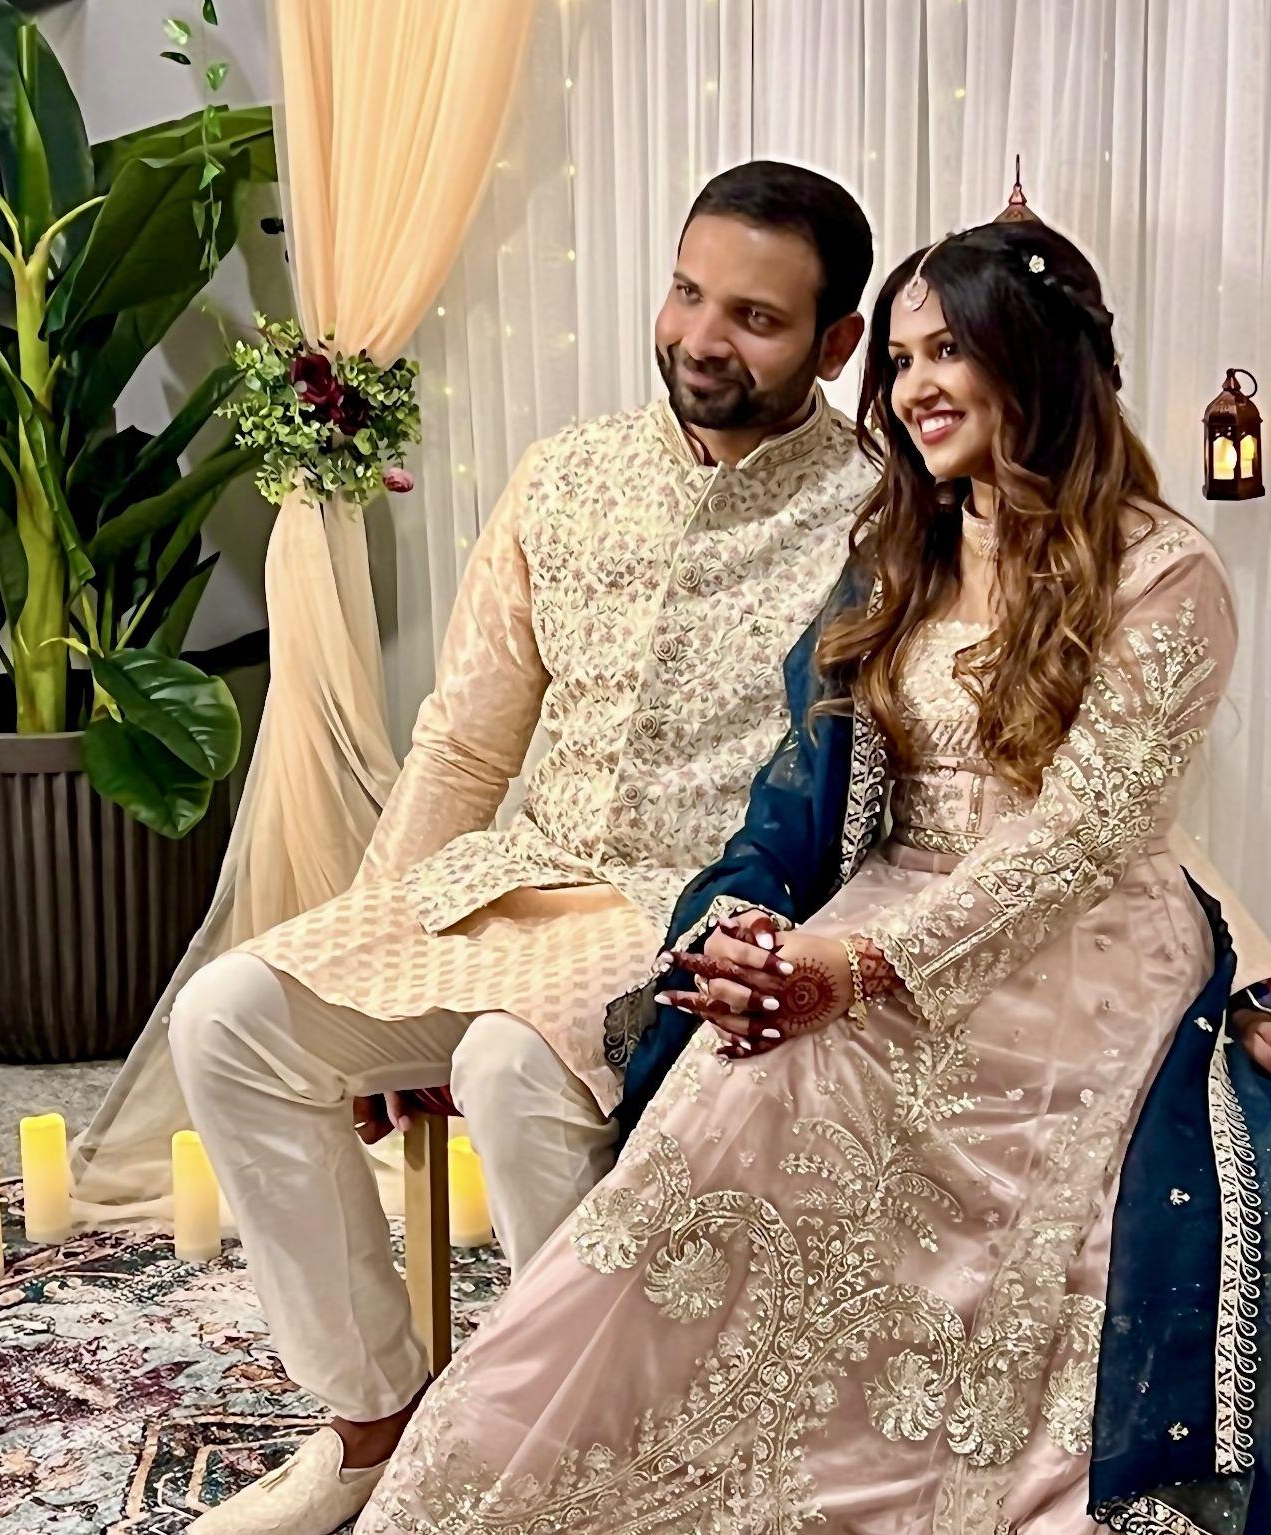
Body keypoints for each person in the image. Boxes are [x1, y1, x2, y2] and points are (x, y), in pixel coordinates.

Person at [355, 219, 1271, 1535]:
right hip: (882, 905)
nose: (915, 385)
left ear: (1034, 362)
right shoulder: (906, 551)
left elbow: (1084, 837)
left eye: (950, 351)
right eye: (903, 357)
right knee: (735, 1086)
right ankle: (580, 1472)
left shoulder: (1163, 570)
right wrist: (760, 932)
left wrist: (861, 966)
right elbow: (806, 783)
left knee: (855, 1095)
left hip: (1081, 947)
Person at [173, 161, 880, 1535]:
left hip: (692, 910)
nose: (700, 338)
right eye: (686, 293)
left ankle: (593, 1472)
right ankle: (376, 1421)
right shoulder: (567, 477)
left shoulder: (880, 519)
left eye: (754, 318)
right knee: (232, 1018)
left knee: (511, 1058)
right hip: (515, 881)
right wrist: (375, 955)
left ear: (839, 342)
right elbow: (463, 744)